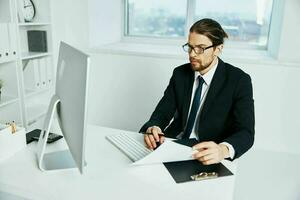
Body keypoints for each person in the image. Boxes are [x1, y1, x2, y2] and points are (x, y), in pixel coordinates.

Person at [140, 18, 254, 165]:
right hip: (173, 146)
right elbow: (162, 113)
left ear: (217, 49)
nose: (192, 54)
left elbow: (246, 132)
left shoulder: (238, 80)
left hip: (208, 154)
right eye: (190, 47)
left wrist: (222, 150)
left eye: (200, 48)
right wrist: (153, 127)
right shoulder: (180, 74)